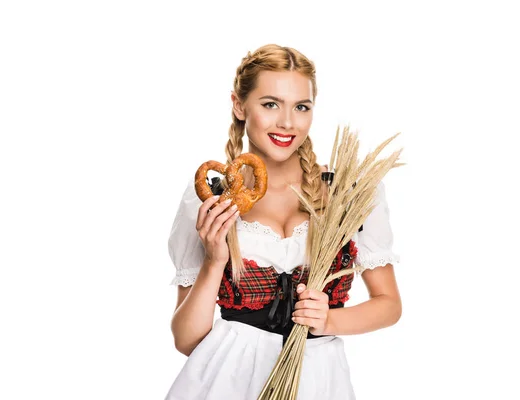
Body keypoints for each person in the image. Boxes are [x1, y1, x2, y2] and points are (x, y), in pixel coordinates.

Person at [165, 44, 402, 400]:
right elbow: (186, 340)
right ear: (239, 105)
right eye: (270, 104)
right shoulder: (213, 195)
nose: (287, 123)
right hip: (226, 380)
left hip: (319, 380)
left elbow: (389, 303)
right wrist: (214, 262)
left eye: (301, 107)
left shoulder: (348, 191)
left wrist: (329, 321)